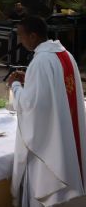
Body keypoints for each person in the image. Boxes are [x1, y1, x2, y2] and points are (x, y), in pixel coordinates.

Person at [7, 16, 86, 207]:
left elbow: (31, 107)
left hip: (50, 144)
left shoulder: (41, 61)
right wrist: (31, 81)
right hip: (67, 133)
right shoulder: (65, 54)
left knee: (47, 189)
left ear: (33, 36)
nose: (20, 40)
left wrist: (15, 85)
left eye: (21, 35)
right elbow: (55, 90)